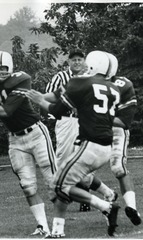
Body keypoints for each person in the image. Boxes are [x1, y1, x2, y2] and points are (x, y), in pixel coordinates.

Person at [21, 50, 121, 238]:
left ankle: (106, 206)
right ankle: (58, 230)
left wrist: (39, 100)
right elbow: (63, 93)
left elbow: (56, 110)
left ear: (90, 63)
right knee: (65, 181)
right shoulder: (112, 87)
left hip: (89, 145)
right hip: (105, 146)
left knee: (58, 187)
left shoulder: (80, 82)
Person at [0, 51, 57, 236]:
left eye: (3, 68)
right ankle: (43, 226)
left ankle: (97, 206)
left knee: (54, 183)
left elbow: (7, 110)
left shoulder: (21, 80)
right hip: (15, 139)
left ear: (11, 68)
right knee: (28, 185)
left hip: (36, 133)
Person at [45, 49, 92, 211]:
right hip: (66, 119)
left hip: (85, 120)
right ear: (68, 61)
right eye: (74, 60)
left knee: (82, 159)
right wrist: (52, 114)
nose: (77, 62)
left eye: (80, 59)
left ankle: (85, 198)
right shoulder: (60, 77)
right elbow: (50, 95)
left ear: (84, 61)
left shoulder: (90, 76)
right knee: (63, 158)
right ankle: (64, 194)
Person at [105, 53, 142, 225]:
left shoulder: (123, 84)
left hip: (115, 129)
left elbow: (124, 122)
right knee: (82, 171)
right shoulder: (87, 84)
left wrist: (98, 118)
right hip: (91, 131)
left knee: (118, 168)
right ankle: (107, 198)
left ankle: (132, 208)